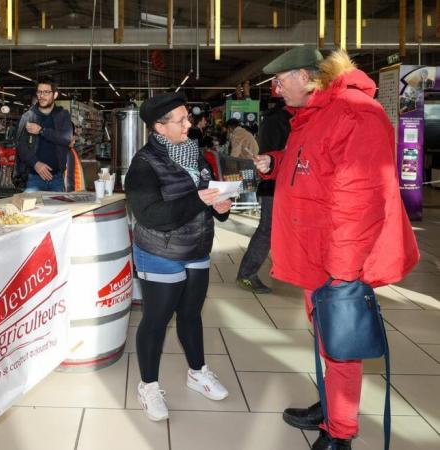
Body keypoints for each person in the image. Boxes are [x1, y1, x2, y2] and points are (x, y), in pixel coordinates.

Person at [254, 47, 419, 450]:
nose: (276, 90)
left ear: (308, 76)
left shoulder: (355, 114)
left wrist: (343, 269)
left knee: (340, 344)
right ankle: (330, 405)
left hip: (339, 257)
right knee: (326, 336)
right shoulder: (315, 114)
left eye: (280, 81)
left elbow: (362, 198)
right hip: (315, 250)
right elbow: (312, 165)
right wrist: (274, 163)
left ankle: (340, 433)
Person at [124, 92, 232, 422]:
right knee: (156, 320)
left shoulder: (193, 153)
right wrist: (200, 200)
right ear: (159, 127)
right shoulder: (142, 165)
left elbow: (205, 192)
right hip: (159, 252)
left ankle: (197, 372)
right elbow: (152, 215)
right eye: (181, 120)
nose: (189, 124)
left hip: (196, 247)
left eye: (187, 118)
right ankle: (148, 385)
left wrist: (220, 206)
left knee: (191, 315)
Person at [235, 99, 292, 294]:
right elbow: (272, 156)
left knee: (273, 229)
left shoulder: (279, 119)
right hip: (274, 186)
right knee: (267, 229)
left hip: (280, 185)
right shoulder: (279, 121)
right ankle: (246, 274)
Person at [15, 77, 73, 192]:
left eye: (46, 92)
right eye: (39, 92)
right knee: (29, 209)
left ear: (55, 95)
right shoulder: (28, 116)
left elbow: (66, 139)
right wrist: (35, 163)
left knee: (59, 209)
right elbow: (21, 146)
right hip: (34, 178)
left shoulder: (63, 115)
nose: (42, 95)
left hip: (57, 178)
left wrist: (42, 131)